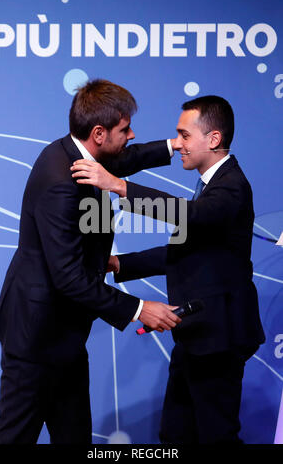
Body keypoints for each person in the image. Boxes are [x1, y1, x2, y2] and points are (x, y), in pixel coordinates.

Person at [0, 79, 181, 444]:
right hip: (35, 339)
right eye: (124, 129)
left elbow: (124, 159)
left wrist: (172, 147)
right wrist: (140, 308)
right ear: (98, 133)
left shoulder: (80, 154)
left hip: (64, 338)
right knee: (15, 439)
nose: (131, 135)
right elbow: (67, 277)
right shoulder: (61, 179)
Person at [71, 95, 265, 444]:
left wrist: (118, 185)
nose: (178, 145)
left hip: (219, 338)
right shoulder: (209, 185)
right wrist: (120, 263)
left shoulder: (232, 186)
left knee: (216, 435)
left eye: (184, 136)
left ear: (214, 139)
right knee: (175, 434)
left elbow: (187, 217)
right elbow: (183, 251)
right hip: (196, 335)